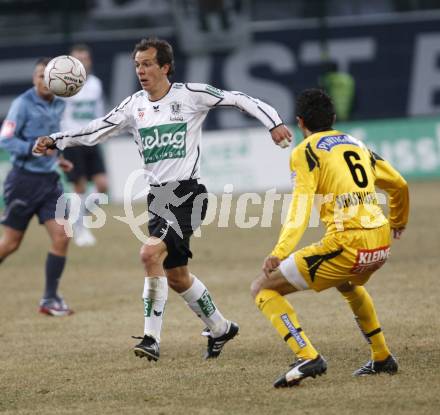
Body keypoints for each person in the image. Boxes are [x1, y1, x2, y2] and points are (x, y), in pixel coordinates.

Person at [33, 38, 292, 361]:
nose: (140, 70)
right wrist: (56, 140)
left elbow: (238, 98)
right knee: (177, 276)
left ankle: (151, 339)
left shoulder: (190, 95)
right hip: (158, 198)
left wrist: (274, 122)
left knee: (149, 253)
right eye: (137, 65)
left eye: (147, 64)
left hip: (188, 195)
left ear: (165, 66)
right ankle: (222, 328)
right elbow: (96, 130)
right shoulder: (133, 106)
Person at [250, 88, 409, 388]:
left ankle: (307, 355)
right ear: (334, 118)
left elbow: (300, 207)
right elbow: (399, 184)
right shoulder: (355, 143)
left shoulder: (306, 151)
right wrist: (398, 220)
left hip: (349, 243)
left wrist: (281, 250)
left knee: (263, 289)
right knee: (347, 283)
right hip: (381, 241)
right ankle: (382, 356)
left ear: (300, 122)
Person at [0, 57, 74, 316]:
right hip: (22, 181)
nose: (44, 80)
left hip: (49, 183)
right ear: (34, 79)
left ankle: (50, 298)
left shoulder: (59, 104)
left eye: (48, 76)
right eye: (40, 76)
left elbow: (51, 140)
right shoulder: (22, 104)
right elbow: (5, 139)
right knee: (10, 244)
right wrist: (30, 149)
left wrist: (59, 159)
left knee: (62, 236)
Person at [61, 44, 108, 247]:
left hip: (92, 139)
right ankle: (81, 229)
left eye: (85, 58)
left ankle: (74, 213)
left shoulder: (96, 84)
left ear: (90, 61)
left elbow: (99, 111)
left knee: (102, 185)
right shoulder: (61, 84)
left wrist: (103, 132)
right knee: (79, 186)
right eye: (77, 58)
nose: (82, 62)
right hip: (72, 140)